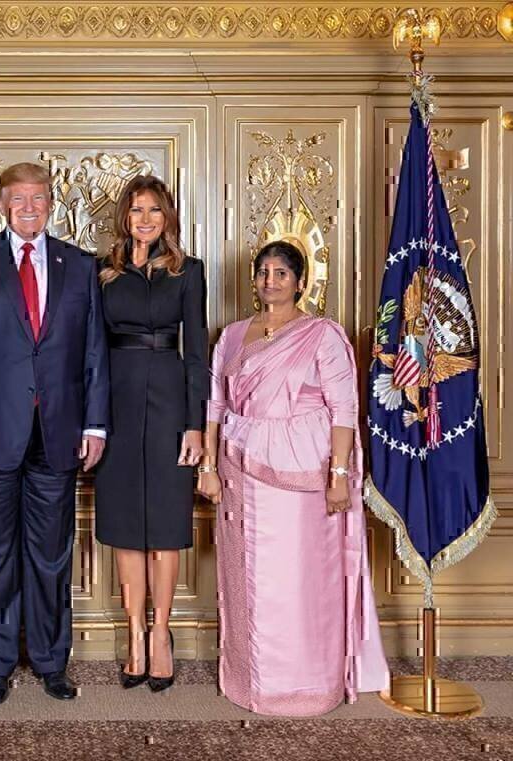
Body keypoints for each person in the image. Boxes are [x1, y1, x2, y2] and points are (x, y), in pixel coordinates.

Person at [0, 162, 110, 704]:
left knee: (52, 555)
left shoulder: (79, 265)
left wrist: (95, 424)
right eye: (18, 198)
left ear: (51, 204)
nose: (28, 207)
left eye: (37, 198)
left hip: (59, 432)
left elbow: (94, 351)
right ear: (1, 204)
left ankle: (53, 662)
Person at [197, 240, 389, 716]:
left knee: (299, 579)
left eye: (281, 273)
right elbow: (215, 405)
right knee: (248, 579)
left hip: (305, 477)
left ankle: (307, 685)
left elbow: (343, 409)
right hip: (239, 469)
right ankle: (250, 683)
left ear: (301, 282)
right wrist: (208, 465)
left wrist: (339, 474)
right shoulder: (232, 336)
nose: (270, 280)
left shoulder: (322, 335)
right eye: (263, 271)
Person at [93, 175, 208, 692]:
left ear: (168, 218)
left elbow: (197, 353)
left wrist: (195, 424)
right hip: (115, 403)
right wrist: (91, 421)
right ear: (125, 216)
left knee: (164, 525)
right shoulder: (102, 273)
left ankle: (162, 633)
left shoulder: (188, 272)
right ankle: (134, 634)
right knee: (124, 527)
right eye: (137, 210)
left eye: (155, 210)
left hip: (168, 402)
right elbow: (90, 351)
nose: (145, 219)